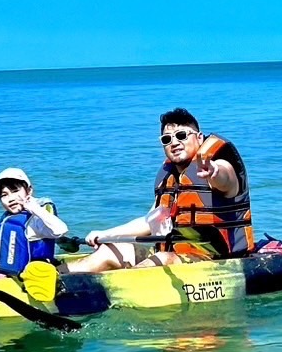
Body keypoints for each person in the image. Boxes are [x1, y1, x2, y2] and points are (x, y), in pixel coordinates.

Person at [67, 108, 253, 274]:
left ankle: (113, 288)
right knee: (110, 250)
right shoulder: (169, 178)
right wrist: (105, 234)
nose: (174, 143)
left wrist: (213, 171)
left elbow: (224, 177)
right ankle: (57, 278)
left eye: (181, 135)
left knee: (162, 260)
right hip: (172, 252)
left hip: (214, 260)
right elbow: (149, 222)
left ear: (199, 137)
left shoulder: (218, 167)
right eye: (167, 139)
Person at [0, 168, 69, 275]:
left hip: (23, 277)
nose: (10, 198)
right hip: (1, 272)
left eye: (15, 191)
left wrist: (35, 209)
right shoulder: (11, 217)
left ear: (29, 191)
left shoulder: (35, 219)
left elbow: (61, 230)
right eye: (4, 195)